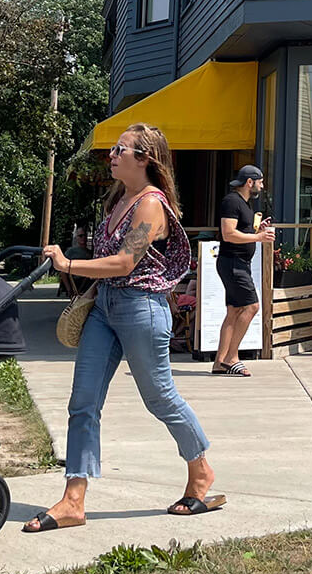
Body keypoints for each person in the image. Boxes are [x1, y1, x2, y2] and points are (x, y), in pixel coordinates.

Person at [27, 124, 218, 532]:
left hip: (141, 308)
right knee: (83, 402)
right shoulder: (119, 198)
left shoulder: (151, 204)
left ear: (145, 158)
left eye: (121, 149)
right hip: (106, 307)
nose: (112, 154)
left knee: (160, 398)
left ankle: (200, 470)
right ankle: (73, 500)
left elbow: (126, 262)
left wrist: (68, 265)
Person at [215, 164, 274, 377]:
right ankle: (232, 358)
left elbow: (241, 231)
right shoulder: (231, 201)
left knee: (233, 311)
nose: (262, 185)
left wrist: (257, 230)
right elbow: (228, 233)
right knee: (252, 306)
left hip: (238, 263)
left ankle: (220, 362)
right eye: (260, 181)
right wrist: (258, 238)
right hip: (233, 263)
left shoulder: (244, 204)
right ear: (250, 182)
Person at [56, 225, 93, 297]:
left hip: (88, 285)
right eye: (80, 236)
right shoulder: (70, 252)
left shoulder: (91, 253)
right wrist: (69, 289)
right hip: (75, 282)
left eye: (85, 235)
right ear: (76, 237)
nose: (83, 238)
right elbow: (62, 271)